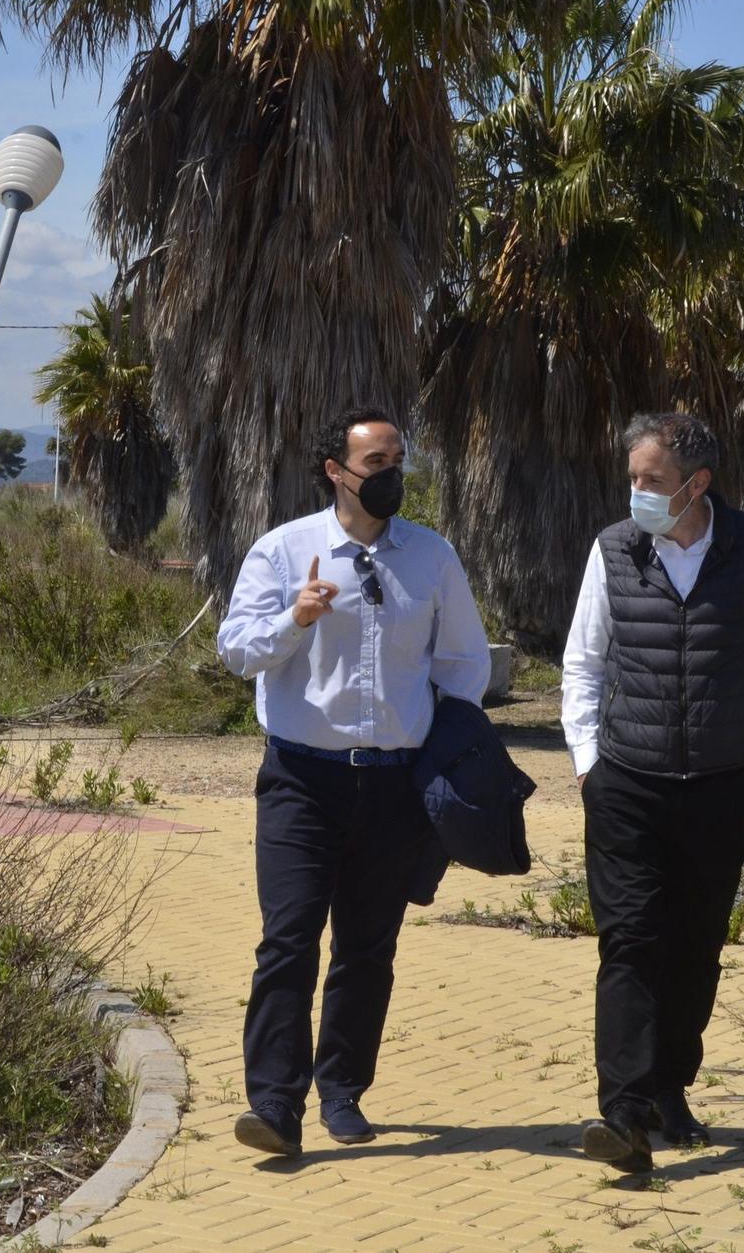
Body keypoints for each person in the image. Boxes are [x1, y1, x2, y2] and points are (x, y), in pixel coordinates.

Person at [217, 406, 490, 1157]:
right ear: (336, 471)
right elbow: (236, 650)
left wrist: (446, 744)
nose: (391, 474)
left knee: (367, 948)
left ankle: (341, 1091)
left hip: (395, 785)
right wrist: (295, 620)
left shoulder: (431, 556)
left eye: (397, 459)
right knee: (288, 941)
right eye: (376, 463)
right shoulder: (284, 551)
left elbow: (465, 661)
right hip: (303, 781)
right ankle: (275, 1104)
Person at [561, 412, 744, 1173]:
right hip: (627, 783)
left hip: (717, 784)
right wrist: (589, 764)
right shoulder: (614, 549)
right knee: (630, 941)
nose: (636, 492)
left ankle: (669, 1088)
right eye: (633, 478)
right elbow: (583, 663)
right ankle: (623, 1113)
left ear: (697, 483)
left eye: (652, 480)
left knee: (696, 945)